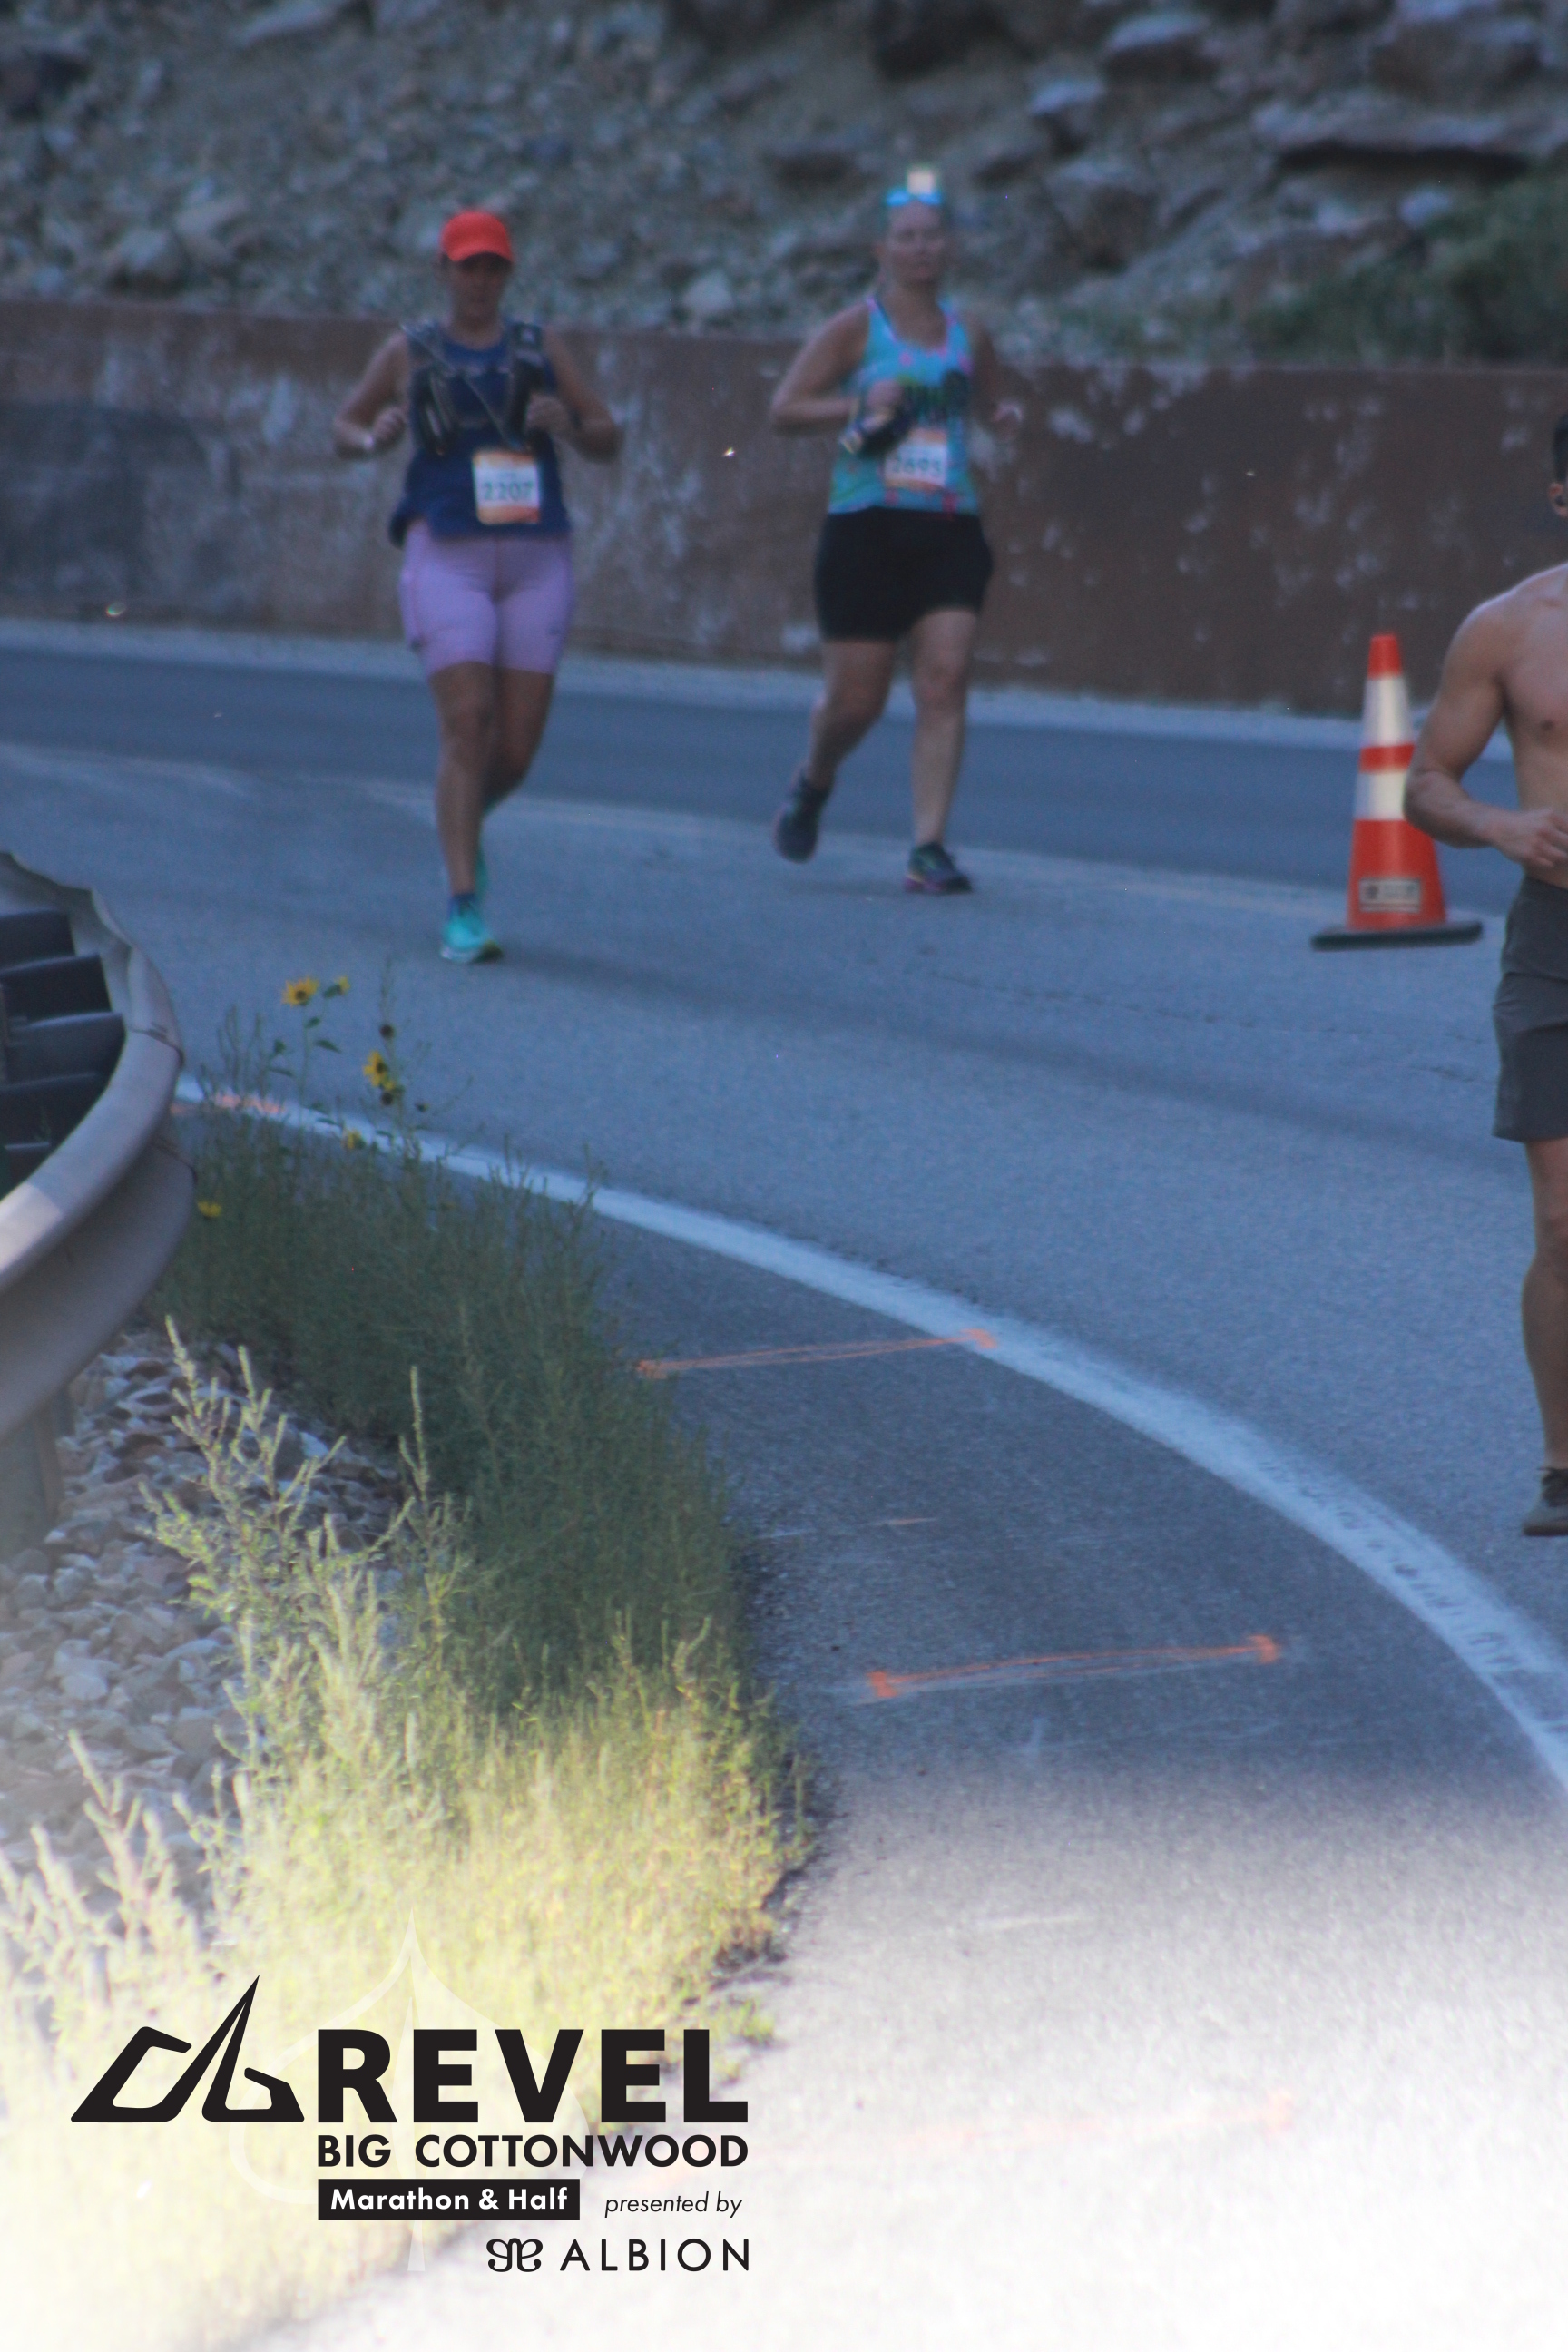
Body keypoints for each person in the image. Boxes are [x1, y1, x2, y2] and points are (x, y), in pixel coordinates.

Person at [333, 210, 621, 964]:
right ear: (443, 271)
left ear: (508, 274)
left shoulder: (538, 345)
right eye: (468, 267)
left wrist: (568, 423)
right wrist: (372, 437)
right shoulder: (410, 349)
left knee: (516, 749)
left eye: (493, 267)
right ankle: (463, 904)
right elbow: (346, 426)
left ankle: (462, 826)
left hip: (534, 554)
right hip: (448, 551)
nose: (481, 281)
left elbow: (608, 434)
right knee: (468, 721)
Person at [767, 169, 1022, 894]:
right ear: (881, 250)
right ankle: (814, 779)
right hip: (867, 526)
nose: (921, 248)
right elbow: (784, 409)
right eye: (906, 237)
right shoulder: (856, 329)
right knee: (857, 702)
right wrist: (854, 407)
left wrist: (1001, 416)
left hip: (949, 523)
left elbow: (989, 397)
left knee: (944, 680)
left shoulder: (969, 330)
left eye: (932, 236)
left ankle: (927, 848)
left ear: (951, 247)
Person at [1405, 411, 1568, 1534]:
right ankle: (1564, 1466)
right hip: (1556, 939)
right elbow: (1425, 784)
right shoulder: (1507, 628)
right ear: (1561, 498)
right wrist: (1504, 827)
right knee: (1563, 1224)